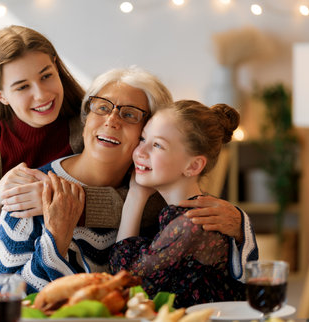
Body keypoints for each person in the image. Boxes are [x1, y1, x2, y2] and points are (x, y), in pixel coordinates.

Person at [0, 69, 257, 295]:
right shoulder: (31, 193)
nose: (111, 120)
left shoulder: (161, 196)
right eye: (102, 107)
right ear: (86, 118)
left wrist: (239, 225)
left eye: (130, 114)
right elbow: (6, 300)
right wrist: (55, 240)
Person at [0, 26, 141, 300]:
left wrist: (66, 203)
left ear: (57, 67)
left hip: (63, 280)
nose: (42, 94)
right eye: (22, 86)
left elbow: (148, 204)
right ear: (0, 95)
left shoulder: (89, 125)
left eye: (46, 76)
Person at [110, 100, 258, 308]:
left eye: (157, 145)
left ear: (193, 166)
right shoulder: (183, 213)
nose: (140, 152)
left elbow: (126, 279)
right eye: (143, 139)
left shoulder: (193, 222)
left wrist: (136, 196)